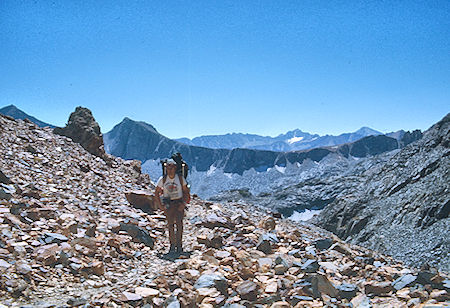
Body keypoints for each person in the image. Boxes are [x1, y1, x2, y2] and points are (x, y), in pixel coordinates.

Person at [154, 159, 190, 254]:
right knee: (170, 225)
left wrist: (183, 204)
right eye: (168, 168)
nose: (169, 170)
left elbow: (186, 192)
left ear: (175, 168)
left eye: (171, 168)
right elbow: (156, 192)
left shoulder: (181, 179)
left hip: (178, 204)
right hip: (168, 205)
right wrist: (160, 205)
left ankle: (179, 246)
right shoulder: (162, 179)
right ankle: (172, 246)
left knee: (179, 225)